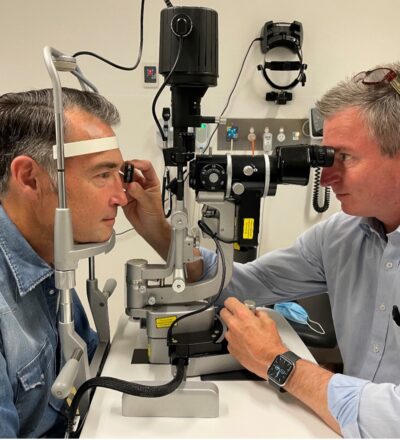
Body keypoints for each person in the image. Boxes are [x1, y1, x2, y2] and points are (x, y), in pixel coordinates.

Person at [211, 63, 400, 438]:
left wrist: (279, 362)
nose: (326, 178)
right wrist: (163, 231)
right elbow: (244, 285)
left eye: (345, 157)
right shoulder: (340, 235)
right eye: (327, 157)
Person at [0, 88, 168, 437]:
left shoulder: (47, 260)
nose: (122, 197)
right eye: (103, 175)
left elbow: (89, 363)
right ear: (29, 178)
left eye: (120, 174)